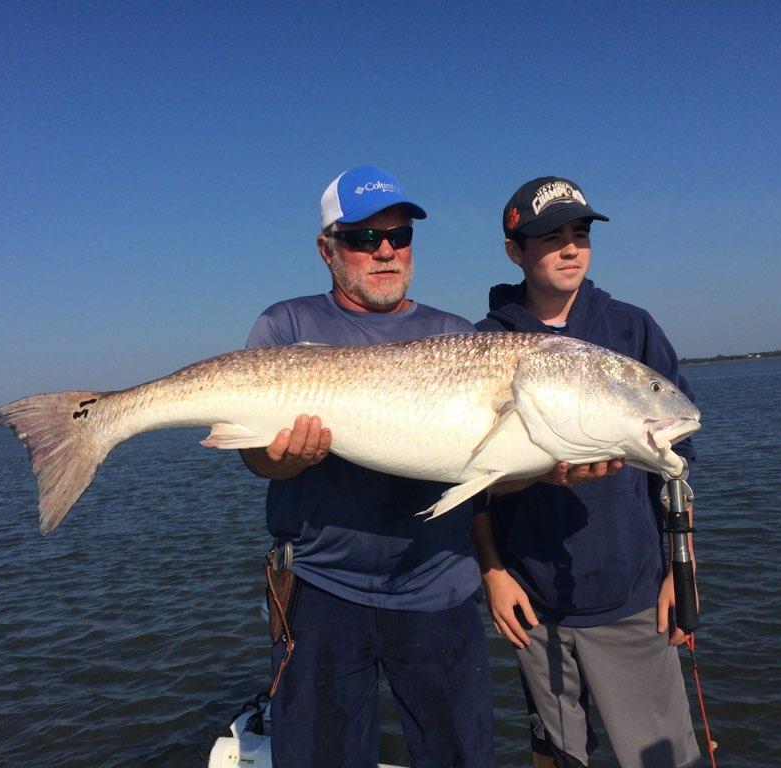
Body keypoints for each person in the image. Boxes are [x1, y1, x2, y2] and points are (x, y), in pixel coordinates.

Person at [239, 166, 494, 768]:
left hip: (440, 587)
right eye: (362, 238)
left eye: (399, 236)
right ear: (327, 250)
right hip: (323, 591)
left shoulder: (458, 338)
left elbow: (490, 468)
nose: (385, 251)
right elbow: (256, 457)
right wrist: (279, 461)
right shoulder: (286, 326)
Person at [472, 176, 702, 768]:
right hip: (532, 602)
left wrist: (683, 567)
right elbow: (468, 481)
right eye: (551, 237)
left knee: (660, 757)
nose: (571, 248)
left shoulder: (631, 329)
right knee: (555, 753)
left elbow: (677, 466)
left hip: (629, 594)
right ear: (514, 249)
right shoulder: (480, 344)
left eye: (581, 234)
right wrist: (495, 573)